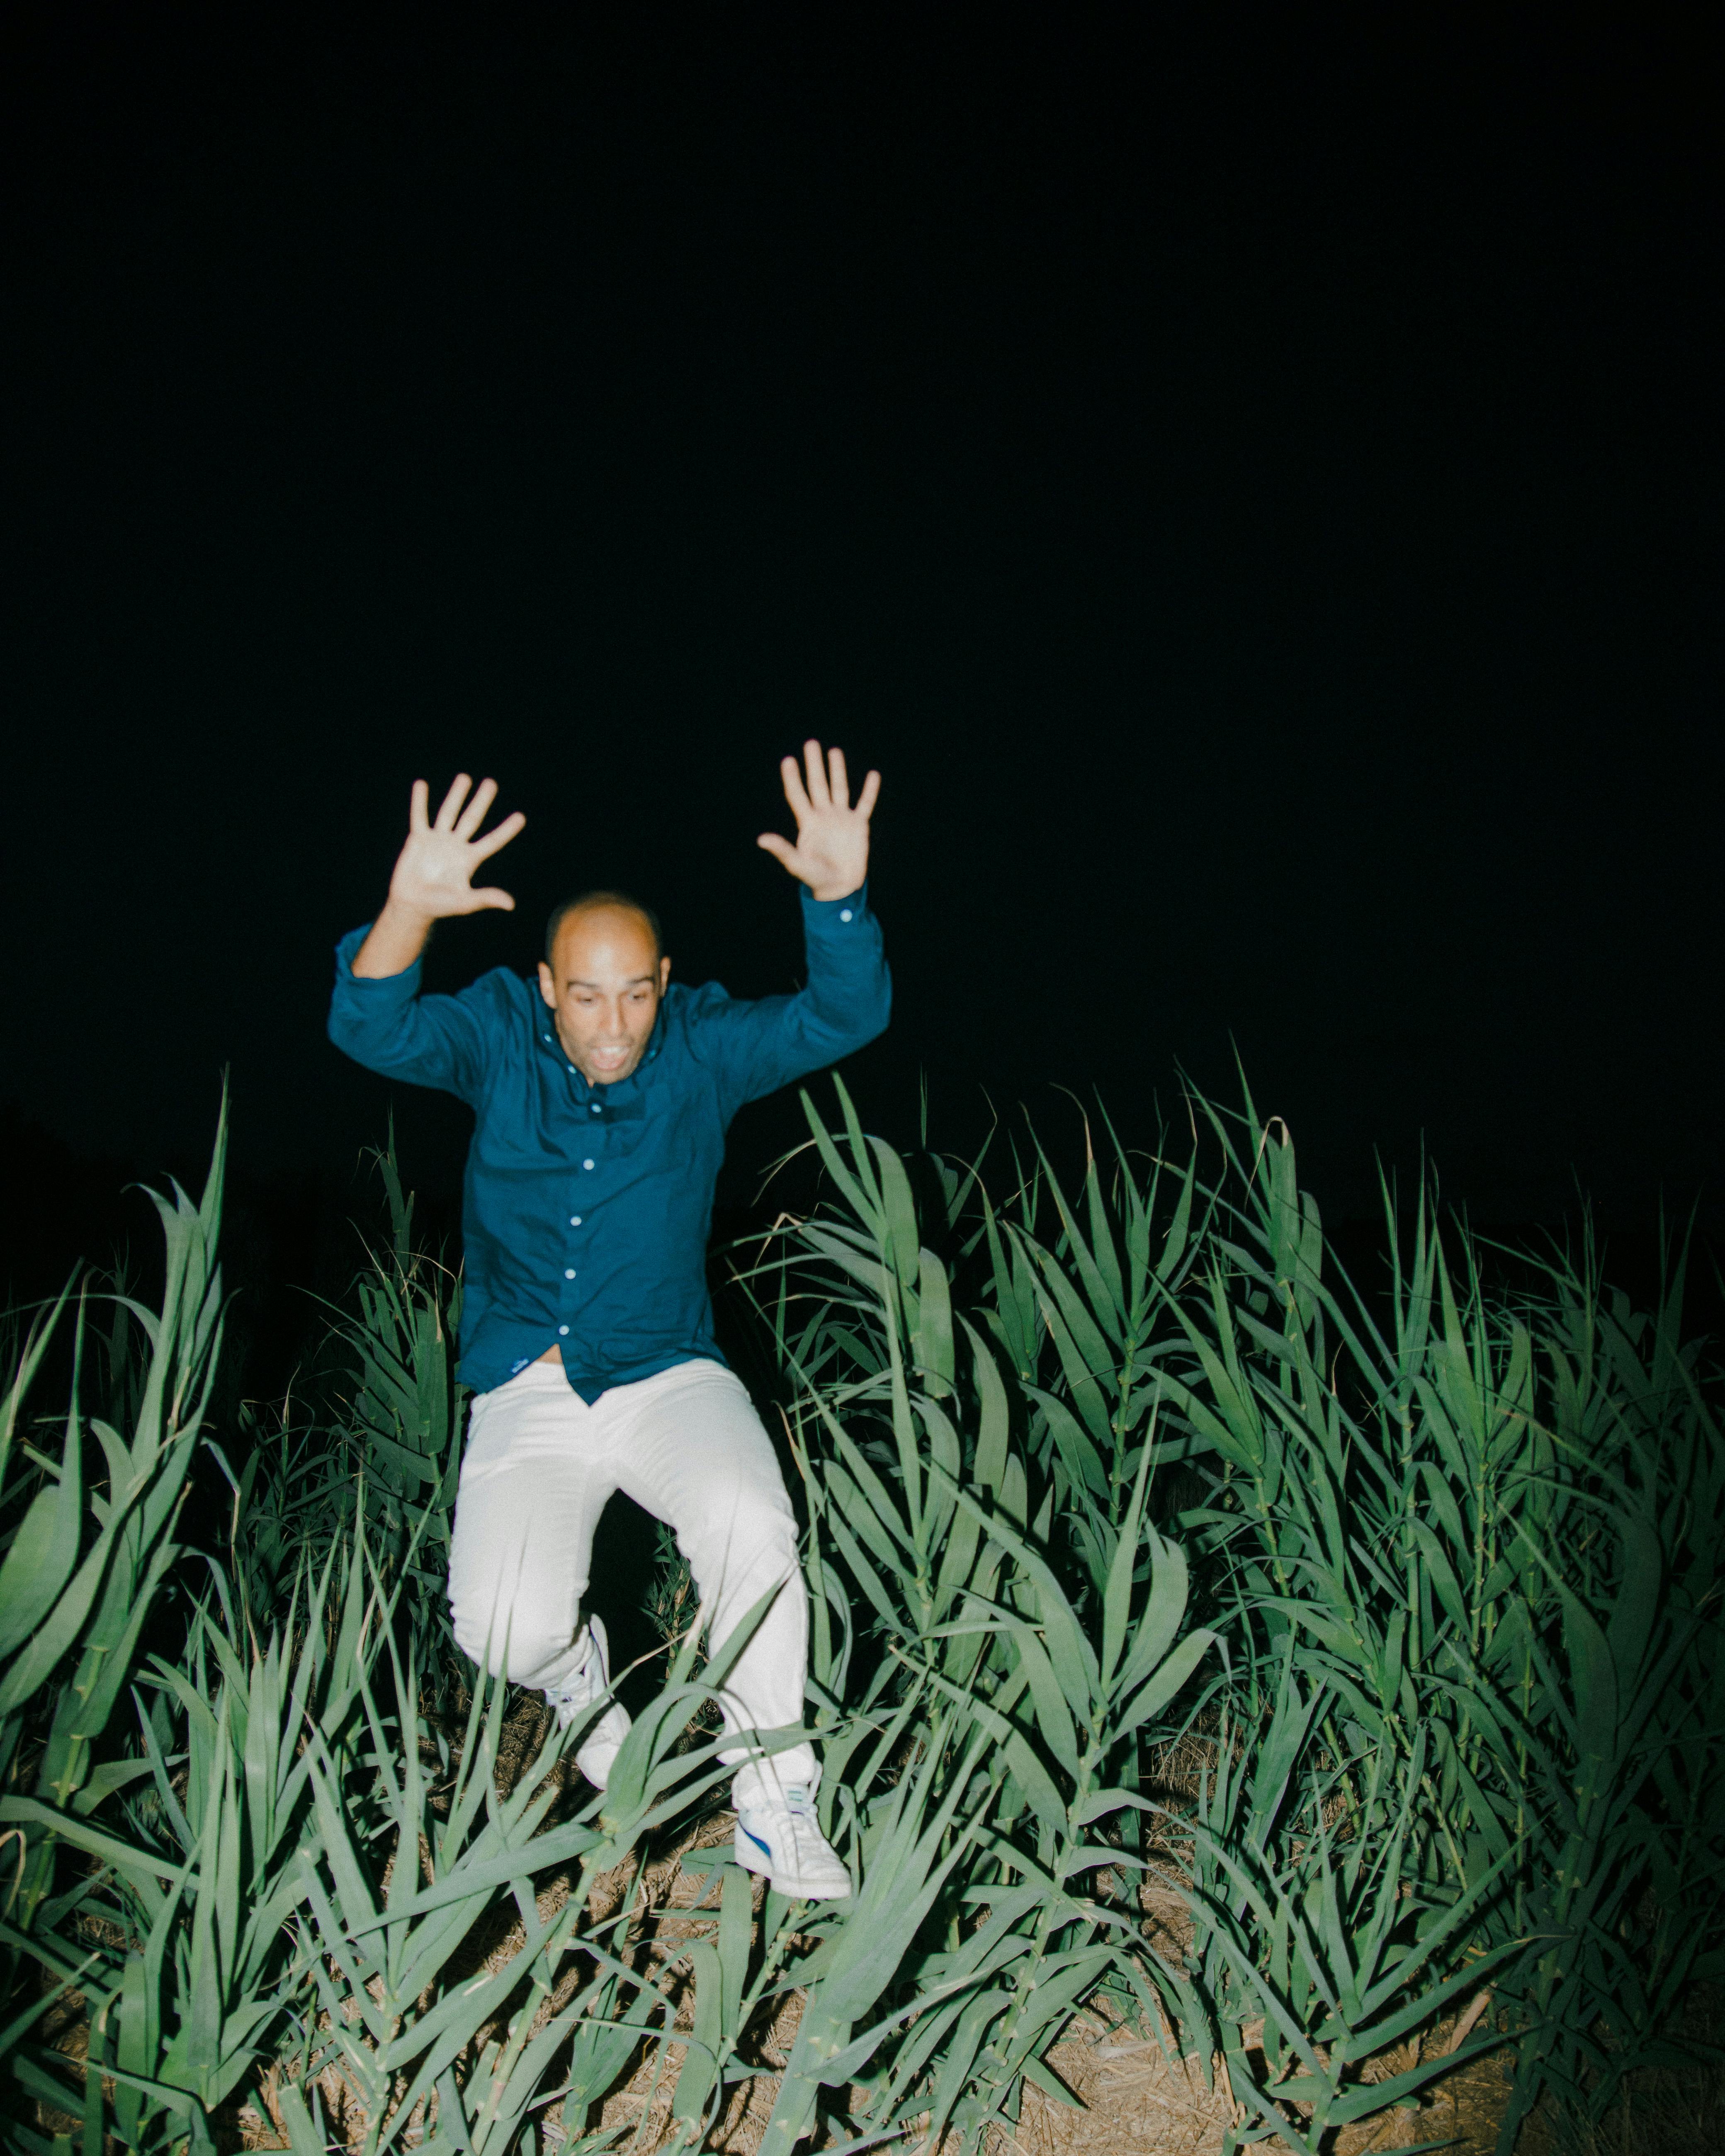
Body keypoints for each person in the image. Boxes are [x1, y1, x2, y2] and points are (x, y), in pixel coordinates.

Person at [327, 741, 888, 1900]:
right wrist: (404, 910)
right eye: (587, 995)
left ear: (665, 981)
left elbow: (844, 1014)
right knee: (497, 1627)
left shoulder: (703, 1047)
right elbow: (370, 1029)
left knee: (749, 1522)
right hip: (527, 1384)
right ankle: (580, 1680)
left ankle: (773, 1793)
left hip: (667, 1375)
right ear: (546, 987)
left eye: (637, 993)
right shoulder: (494, 1035)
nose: (615, 1023)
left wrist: (837, 899)